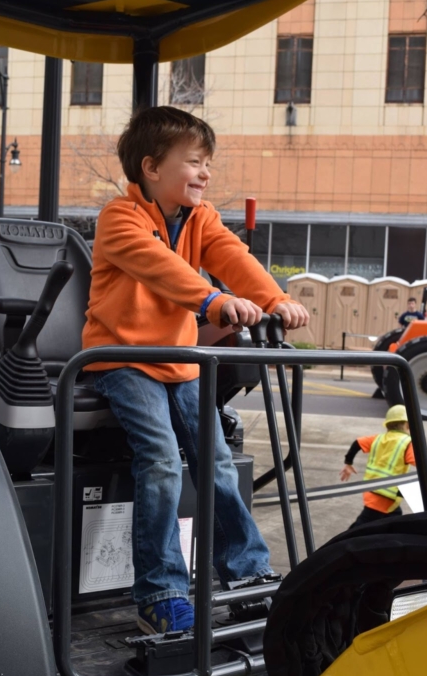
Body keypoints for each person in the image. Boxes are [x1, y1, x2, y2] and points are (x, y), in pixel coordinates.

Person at [82, 106, 309, 634]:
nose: (205, 173)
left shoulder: (200, 219)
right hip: (122, 359)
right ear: (151, 168)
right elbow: (160, 268)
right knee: (160, 461)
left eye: (208, 163)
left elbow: (233, 258)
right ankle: (159, 592)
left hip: (180, 362)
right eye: (194, 161)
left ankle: (248, 574)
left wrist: (275, 299)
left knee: (218, 460)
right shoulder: (120, 217)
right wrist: (211, 301)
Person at [339, 404, 414, 528]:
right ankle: (341, 545)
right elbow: (423, 462)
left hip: (373, 490)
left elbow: (357, 443)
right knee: (359, 528)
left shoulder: (378, 438)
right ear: (407, 424)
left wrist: (348, 463)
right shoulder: (407, 443)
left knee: (395, 523)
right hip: (386, 496)